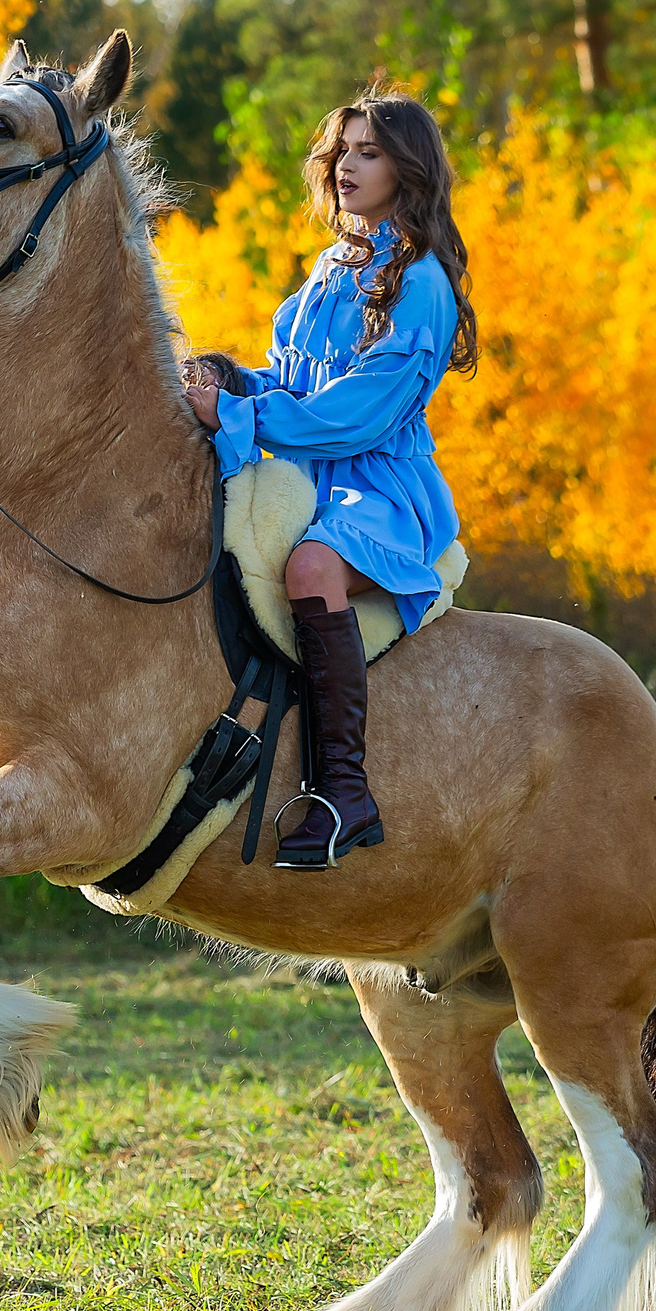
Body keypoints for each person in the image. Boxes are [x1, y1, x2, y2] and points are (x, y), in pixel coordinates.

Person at [182, 87, 479, 870]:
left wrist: (243, 420)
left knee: (311, 567)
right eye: (344, 150)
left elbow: (357, 416)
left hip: (378, 487)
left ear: (407, 168)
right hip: (305, 469)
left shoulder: (418, 284)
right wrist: (228, 386)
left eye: (369, 151)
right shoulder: (331, 266)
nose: (348, 165)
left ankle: (342, 792)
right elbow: (293, 379)